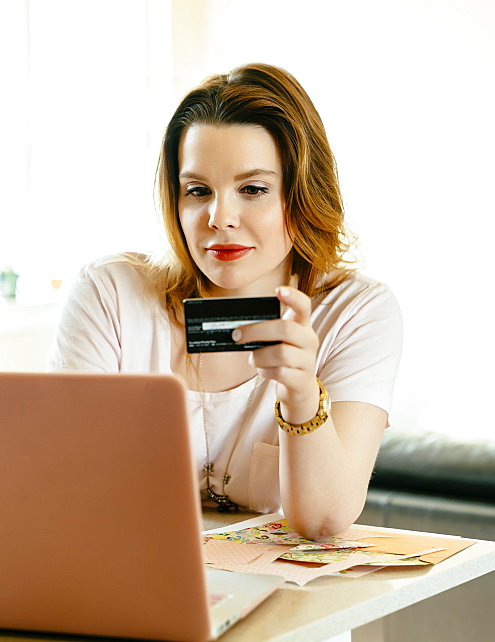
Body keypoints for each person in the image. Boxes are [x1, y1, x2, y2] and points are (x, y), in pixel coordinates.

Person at [47, 63, 402, 539]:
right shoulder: (109, 294)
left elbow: (322, 521)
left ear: (300, 196)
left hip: (296, 601)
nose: (220, 217)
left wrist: (301, 395)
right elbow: (65, 486)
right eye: (198, 191)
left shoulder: (357, 311)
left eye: (252, 189)